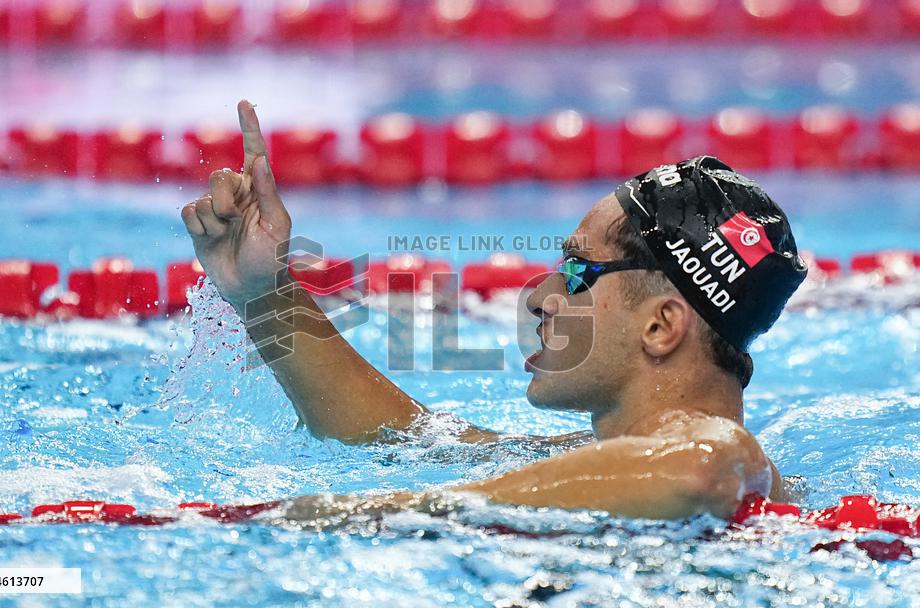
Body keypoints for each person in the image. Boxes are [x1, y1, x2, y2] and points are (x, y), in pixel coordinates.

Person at [180, 101, 807, 522]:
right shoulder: (603, 455)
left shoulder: (718, 449)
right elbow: (398, 439)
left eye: (578, 271)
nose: (537, 297)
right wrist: (266, 294)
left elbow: (700, 469)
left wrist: (389, 514)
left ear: (661, 325)